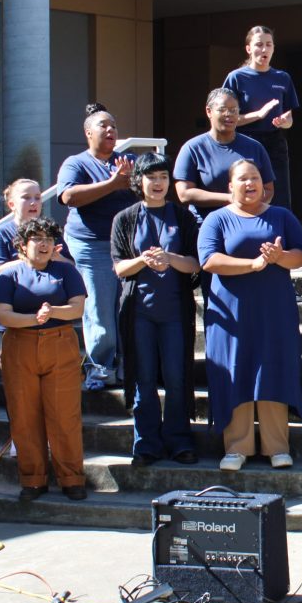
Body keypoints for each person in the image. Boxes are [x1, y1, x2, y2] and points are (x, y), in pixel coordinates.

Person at [198, 160, 302, 472]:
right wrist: (253, 265)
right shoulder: (217, 219)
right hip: (231, 311)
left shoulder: (281, 216)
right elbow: (209, 260)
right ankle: (237, 446)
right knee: (237, 369)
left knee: (272, 368)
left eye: (255, 178)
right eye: (243, 179)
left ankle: (277, 446)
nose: (250, 184)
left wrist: (279, 257)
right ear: (229, 186)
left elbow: (300, 256)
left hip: (274, 309)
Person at [0, 217, 89, 502]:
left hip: (59, 343)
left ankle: (72, 478)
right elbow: (3, 314)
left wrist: (52, 312)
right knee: (24, 414)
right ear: (22, 245)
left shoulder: (66, 272)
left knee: (64, 414)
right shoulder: (9, 275)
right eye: (37, 239)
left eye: (48, 238)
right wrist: (34, 318)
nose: (44, 244)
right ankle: (33, 479)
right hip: (20, 346)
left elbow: (77, 308)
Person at [111, 153, 201, 467]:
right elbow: (120, 268)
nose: (158, 183)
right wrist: (144, 261)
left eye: (163, 176)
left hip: (175, 310)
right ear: (140, 181)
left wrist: (170, 259)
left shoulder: (184, 217)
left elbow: (195, 264)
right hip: (139, 312)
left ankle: (179, 440)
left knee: (177, 377)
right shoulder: (125, 218)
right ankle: (146, 443)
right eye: (151, 177)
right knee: (143, 378)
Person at [56, 103, 136, 389]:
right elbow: (68, 197)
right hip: (91, 246)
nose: (111, 129)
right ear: (88, 132)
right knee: (100, 309)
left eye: (113, 125)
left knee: (129, 307)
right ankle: (100, 367)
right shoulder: (76, 163)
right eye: (104, 125)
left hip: (126, 246)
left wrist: (134, 184)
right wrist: (113, 184)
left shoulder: (127, 160)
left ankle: (129, 365)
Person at [0, 178, 72, 355]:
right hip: (14, 322)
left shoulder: (51, 232)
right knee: (17, 375)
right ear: (11, 204)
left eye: (37, 198)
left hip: (51, 321)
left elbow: (72, 267)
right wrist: (33, 258)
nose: (33, 203)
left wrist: (56, 257)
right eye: (26, 197)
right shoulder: (0, 233)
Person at [221, 25, 299, 209]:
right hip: (245, 141)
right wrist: (258, 114)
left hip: (275, 142)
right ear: (249, 48)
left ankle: (280, 234)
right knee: (248, 192)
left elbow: (289, 119)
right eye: (259, 45)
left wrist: (285, 122)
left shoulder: (282, 78)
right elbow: (226, 119)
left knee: (279, 196)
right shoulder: (236, 78)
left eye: (268, 44)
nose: (264, 49)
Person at [174, 87, 277, 224]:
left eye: (234, 110)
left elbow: (268, 190)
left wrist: (248, 205)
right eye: (222, 110)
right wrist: (231, 198)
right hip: (204, 224)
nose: (229, 114)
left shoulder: (255, 147)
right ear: (209, 111)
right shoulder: (193, 148)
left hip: (248, 221)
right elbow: (184, 193)